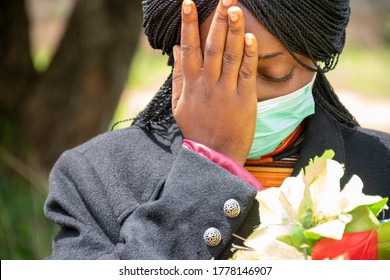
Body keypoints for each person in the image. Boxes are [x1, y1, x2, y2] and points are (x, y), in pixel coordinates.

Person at [44, 0, 390, 259]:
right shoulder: (93, 175)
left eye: (272, 74)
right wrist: (213, 159)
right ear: (180, 59)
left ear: (316, 58)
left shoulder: (382, 167)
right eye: (216, 71)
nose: (237, 101)